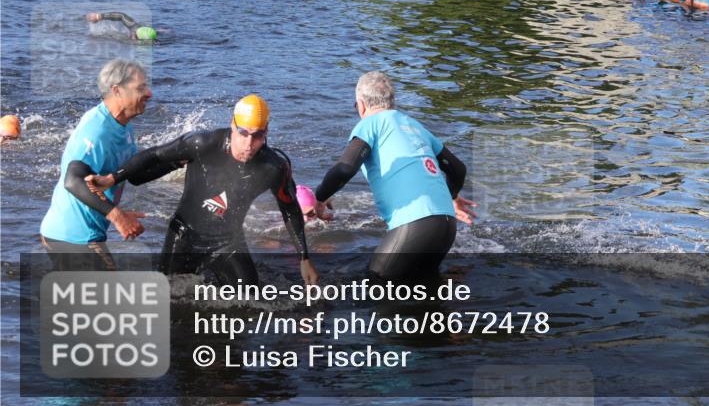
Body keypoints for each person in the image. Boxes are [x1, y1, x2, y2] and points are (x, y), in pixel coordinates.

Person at [87, 94, 320, 286]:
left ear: (266, 131)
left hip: (228, 243)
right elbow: (155, 154)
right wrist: (111, 179)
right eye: (244, 133)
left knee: (252, 301)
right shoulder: (203, 144)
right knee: (168, 299)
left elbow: (289, 208)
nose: (249, 143)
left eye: (258, 135)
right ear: (233, 126)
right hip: (184, 236)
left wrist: (304, 258)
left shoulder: (274, 167)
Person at [315, 72, 475, 280]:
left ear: (361, 105)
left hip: (415, 225)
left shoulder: (370, 124)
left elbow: (345, 168)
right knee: (423, 290)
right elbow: (457, 169)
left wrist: (320, 196)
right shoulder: (414, 125)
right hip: (446, 225)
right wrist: (451, 197)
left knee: (377, 287)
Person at [39, 59, 155, 271]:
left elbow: (135, 174)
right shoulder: (97, 129)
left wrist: (179, 158)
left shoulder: (123, 126)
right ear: (117, 90)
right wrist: (118, 217)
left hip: (79, 234)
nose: (150, 94)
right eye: (141, 88)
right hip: (73, 236)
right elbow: (73, 180)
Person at [86, 11, 157, 41]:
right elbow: (121, 16)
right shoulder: (135, 27)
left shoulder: (133, 41)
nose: (133, 34)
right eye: (134, 32)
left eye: (135, 34)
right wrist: (99, 16)